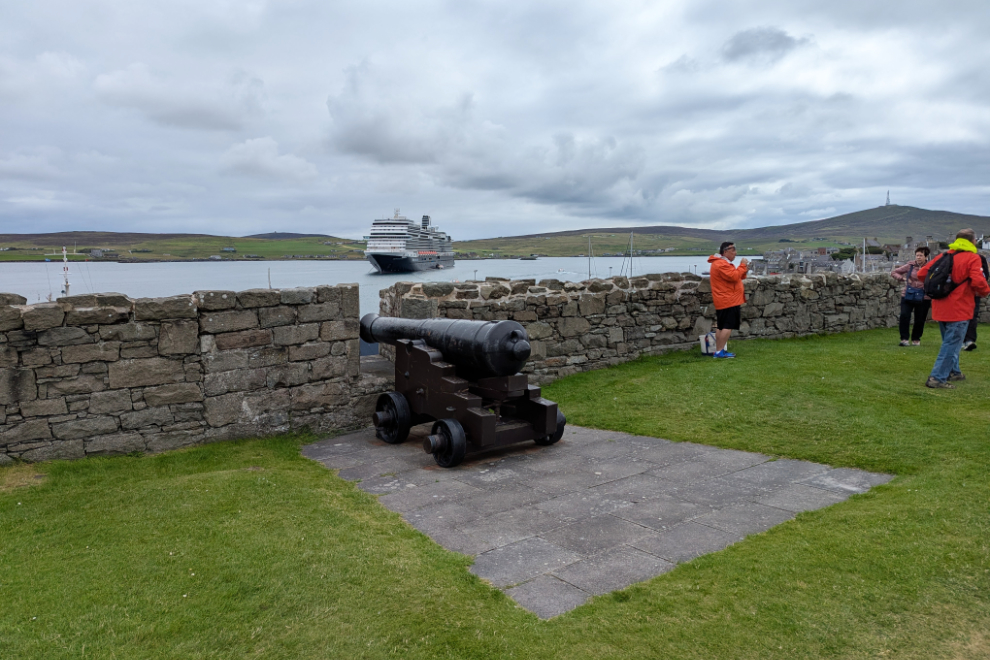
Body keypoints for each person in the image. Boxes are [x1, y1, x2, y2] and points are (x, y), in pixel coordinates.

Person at [916, 229, 990, 389]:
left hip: (940, 307)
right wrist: (985, 291)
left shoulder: (943, 256)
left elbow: (922, 274)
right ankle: (937, 378)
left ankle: (954, 372)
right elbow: (979, 282)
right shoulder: (972, 258)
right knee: (951, 344)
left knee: (950, 342)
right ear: (972, 241)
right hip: (960, 308)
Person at [707, 241, 749, 359]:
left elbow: (735, 276)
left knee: (721, 326)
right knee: (727, 326)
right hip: (728, 299)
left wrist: (743, 269)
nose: (735, 253)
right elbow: (734, 276)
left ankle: (718, 351)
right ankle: (720, 351)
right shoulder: (721, 264)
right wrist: (742, 265)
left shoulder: (721, 263)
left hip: (725, 299)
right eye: (733, 250)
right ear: (725, 251)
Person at [891, 246, 931, 346]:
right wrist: (903, 279)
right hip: (908, 294)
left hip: (924, 296)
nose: (918, 257)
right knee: (904, 316)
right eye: (917, 255)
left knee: (920, 319)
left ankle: (916, 339)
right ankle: (904, 339)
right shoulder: (910, 266)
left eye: (921, 255)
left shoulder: (931, 267)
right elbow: (894, 272)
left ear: (926, 257)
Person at [961, 251, 989, 351]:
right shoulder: (958, 257)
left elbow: (985, 275)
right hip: (960, 293)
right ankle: (962, 340)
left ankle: (969, 340)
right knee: (960, 317)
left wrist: (980, 289)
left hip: (974, 293)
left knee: (972, 316)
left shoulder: (980, 258)